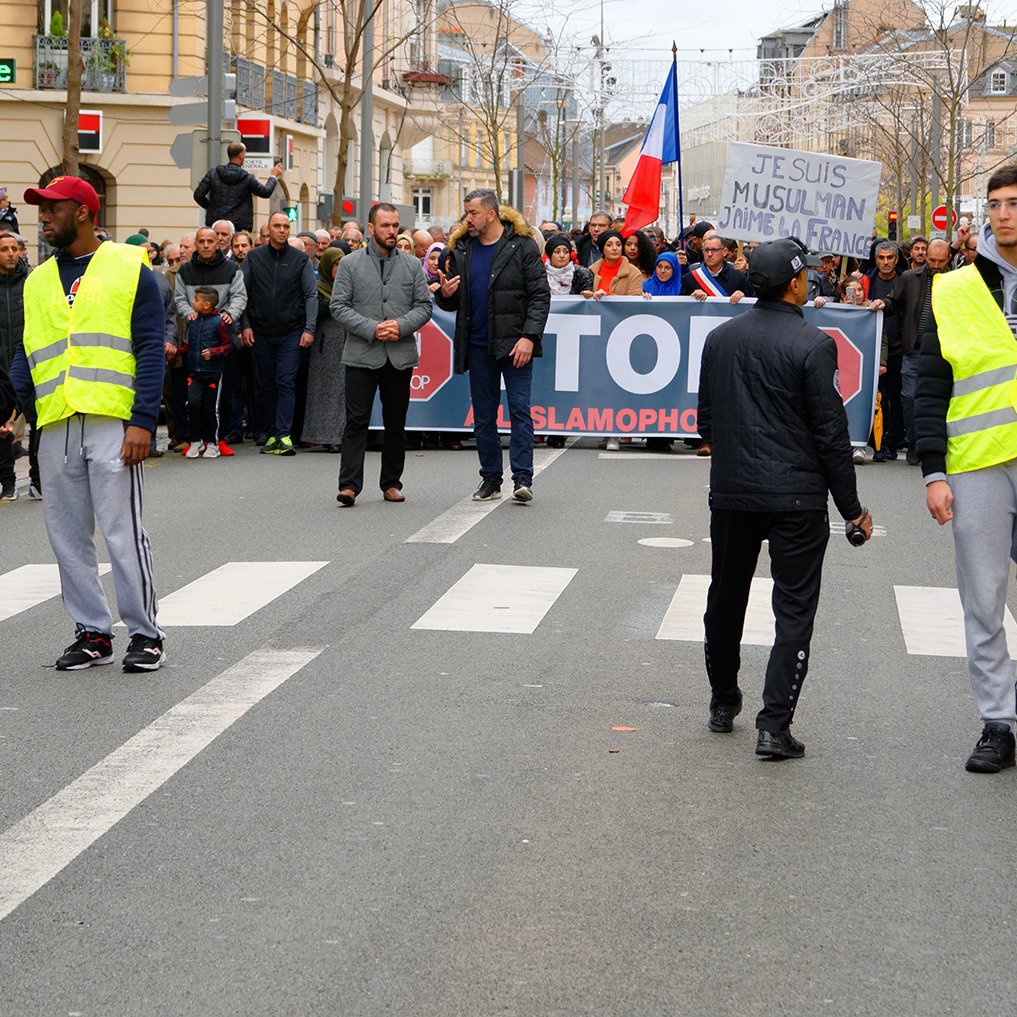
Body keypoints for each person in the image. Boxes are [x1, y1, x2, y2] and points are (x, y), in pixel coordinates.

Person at [698, 237, 872, 759]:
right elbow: (830, 435)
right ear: (796, 283)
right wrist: (853, 511)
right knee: (793, 608)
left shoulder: (721, 338)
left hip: (732, 492)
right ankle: (774, 725)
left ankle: (723, 701)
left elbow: (705, 423)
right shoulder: (813, 344)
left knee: (725, 597)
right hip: (796, 497)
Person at [12, 175, 166, 671]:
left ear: (82, 211)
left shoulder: (128, 266)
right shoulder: (37, 279)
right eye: (41, 209)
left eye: (51, 208)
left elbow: (148, 346)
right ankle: (92, 633)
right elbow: (27, 349)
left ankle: (145, 634)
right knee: (66, 535)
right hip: (55, 422)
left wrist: (143, 419)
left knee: (123, 531)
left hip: (112, 421)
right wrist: (26, 405)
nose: (43, 217)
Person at [917, 166, 1017, 773]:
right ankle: (998, 723)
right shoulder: (952, 288)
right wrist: (933, 471)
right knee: (983, 600)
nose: (1004, 214)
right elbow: (930, 384)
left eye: (1015, 204)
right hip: (977, 463)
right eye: (996, 204)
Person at [436, 189, 550, 502]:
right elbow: (453, 301)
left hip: (515, 344)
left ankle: (522, 478)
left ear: (491, 213)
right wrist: (445, 294)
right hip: (477, 345)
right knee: (483, 415)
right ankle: (490, 479)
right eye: (466, 212)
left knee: (519, 410)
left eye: (472, 212)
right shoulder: (462, 249)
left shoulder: (522, 246)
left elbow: (540, 296)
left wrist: (529, 336)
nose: (467, 219)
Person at [331, 203, 432, 505]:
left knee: (395, 423)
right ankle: (349, 485)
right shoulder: (349, 264)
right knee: (356, 421)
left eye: (395, 225)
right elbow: (338, 307)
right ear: (371, 228)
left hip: (398, 355)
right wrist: (372, 328)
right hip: (362, 354)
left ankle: (391, 483)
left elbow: (424, 307)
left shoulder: (413, 265)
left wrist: (400, 326)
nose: (392, 231)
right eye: (385, 226)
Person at [239, 211, 317, 455]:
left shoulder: (300, 259)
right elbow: (242, 294)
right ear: (268, 230)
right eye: (277, 226)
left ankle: (283, 434)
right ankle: (271, 433)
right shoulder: (253, 258)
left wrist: (309, 328)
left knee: (285, 381)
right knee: (266, 384)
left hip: (291, 332)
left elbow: (310, 295)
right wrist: (244, 325)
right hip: (259, 332)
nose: (282, 230)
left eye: (286, 226)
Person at [869, 237, 951, 464]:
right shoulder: (909, 278)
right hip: (914, 351)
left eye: (940, 260)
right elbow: (893, 300)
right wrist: (882, 304)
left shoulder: (956, 280)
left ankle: (936, 445)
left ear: (949, 259)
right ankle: (915, 443)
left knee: (941, 400)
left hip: (945, 351)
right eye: (931, 260)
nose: (935, 265)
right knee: (910, 398)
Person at [177, 286, 233, 459]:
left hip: (213, 372)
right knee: (192, 405)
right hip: (194, 371)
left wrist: (214, 352)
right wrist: (175, 351)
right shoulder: (193, 321)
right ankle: (196, 440)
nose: (192, 302)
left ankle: (213, 443)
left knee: (210, 408)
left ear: (207, 304)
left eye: (196, 299)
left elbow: (228, 345)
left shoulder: (219, 323)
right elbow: (188, 346)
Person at [301, 246, 347, 454]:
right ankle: (321, 435)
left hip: (347, 341)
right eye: (335, 264)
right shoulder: (318, 287)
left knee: (343, 392)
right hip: (324, 344)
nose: (338, 268)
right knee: (323, 391)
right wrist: (335, 302)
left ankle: (340, 436)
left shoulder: (350, 285)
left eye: (341, 264)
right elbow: (315, 310)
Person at [0, 231, 34, 501]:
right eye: (4, 249)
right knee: (5, 425)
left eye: (15, 248)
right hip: (1, 365)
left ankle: (37, 479)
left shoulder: (32, 281)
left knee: (36, 421)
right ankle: (8, 482)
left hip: (28, 361)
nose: (11, 253)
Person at [866, 241, 904, 462]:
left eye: (890, 258)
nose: (886, 262)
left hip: (899, 348)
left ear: (896, 260)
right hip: (872, 347)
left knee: (897, 396)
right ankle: (876, 441)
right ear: (876, 259)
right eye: (882, 258)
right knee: (875, 397)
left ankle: (894, 439)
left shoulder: (905, 281)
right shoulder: (866, 281)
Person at [193, 142, 283, 232]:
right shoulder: (247, 178)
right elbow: (265, 192)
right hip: (238, 227)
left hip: (215, 226)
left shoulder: (213, 173)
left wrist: (210, 208)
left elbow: (198, 195)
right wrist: (273, 176)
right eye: (244, 154)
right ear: (240, 156)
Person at [681, 234, 752, 303]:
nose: (709, 254)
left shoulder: (737, 277)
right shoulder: (691, 278)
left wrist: (742, 296)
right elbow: (682, 306)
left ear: (724, 252)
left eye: (714, 250)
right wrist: (691, 297)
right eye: (706, 250)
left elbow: (751, 303)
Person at [586, 230, 645, 298]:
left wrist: (607, 297)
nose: (614, 248)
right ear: (602, 249)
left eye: (618, 244)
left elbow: (634, 302)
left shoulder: (634, 273)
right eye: (609, 245)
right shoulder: (591, 271)